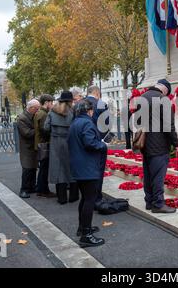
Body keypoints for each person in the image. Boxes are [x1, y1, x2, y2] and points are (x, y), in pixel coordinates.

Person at [68, 99, 107, 247]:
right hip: (87, 167)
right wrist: (103, 145)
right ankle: (86, 235)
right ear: (89, 111)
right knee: (89, 200)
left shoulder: (75, 123)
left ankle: (83, 227)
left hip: (79, 166)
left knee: (85, 199)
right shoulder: (87, 123)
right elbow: (90, 143)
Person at [141, 79, 178, 214]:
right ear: (165, 90)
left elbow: (138, 121)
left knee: (148, 174)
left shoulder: (143, 97)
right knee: (158, 175)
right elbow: (169, 125)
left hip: (145, 143)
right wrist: (175, 142)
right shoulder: (162, 99)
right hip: (159, 144)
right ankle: (158, 204)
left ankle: (149, 201)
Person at [44, 91, 78, 204]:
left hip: (56, 142)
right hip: (70, 141)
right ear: (70, 101)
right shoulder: (73, 111)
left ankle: (62, 198)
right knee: (71, 168)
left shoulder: (52, 111)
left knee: (59, 169)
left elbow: (46, 127)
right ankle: (73, 196)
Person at [85, 86, 109, 208]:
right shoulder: (101, 104)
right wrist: (102, 139)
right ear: (97, 93)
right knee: (98, 170)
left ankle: (88, 197)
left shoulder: (80, 103)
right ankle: (97, 197)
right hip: (98, 142)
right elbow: (106, 125)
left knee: (88, 170)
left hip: (84, 142)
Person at [17, 99, 40, 199]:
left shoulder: (32, 116)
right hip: (26, 147)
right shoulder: (22, 118)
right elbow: (26, 133)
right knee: (27, 168)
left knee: (33, 168)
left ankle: (31, 186)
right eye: (37, 109)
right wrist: (38, 129)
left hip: (32, 146)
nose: (38, 111)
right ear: (31, 108)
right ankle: (24, 189)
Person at [34, 94, 56, 198]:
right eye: (51, 103)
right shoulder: (44, 114)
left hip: (40, 144)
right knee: (44, 169)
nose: (52, 104)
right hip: (44, 145)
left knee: (43, 168)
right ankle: (43, 190)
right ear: (47, 103)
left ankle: (41, 189)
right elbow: (45, 130)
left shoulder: (39, 113)